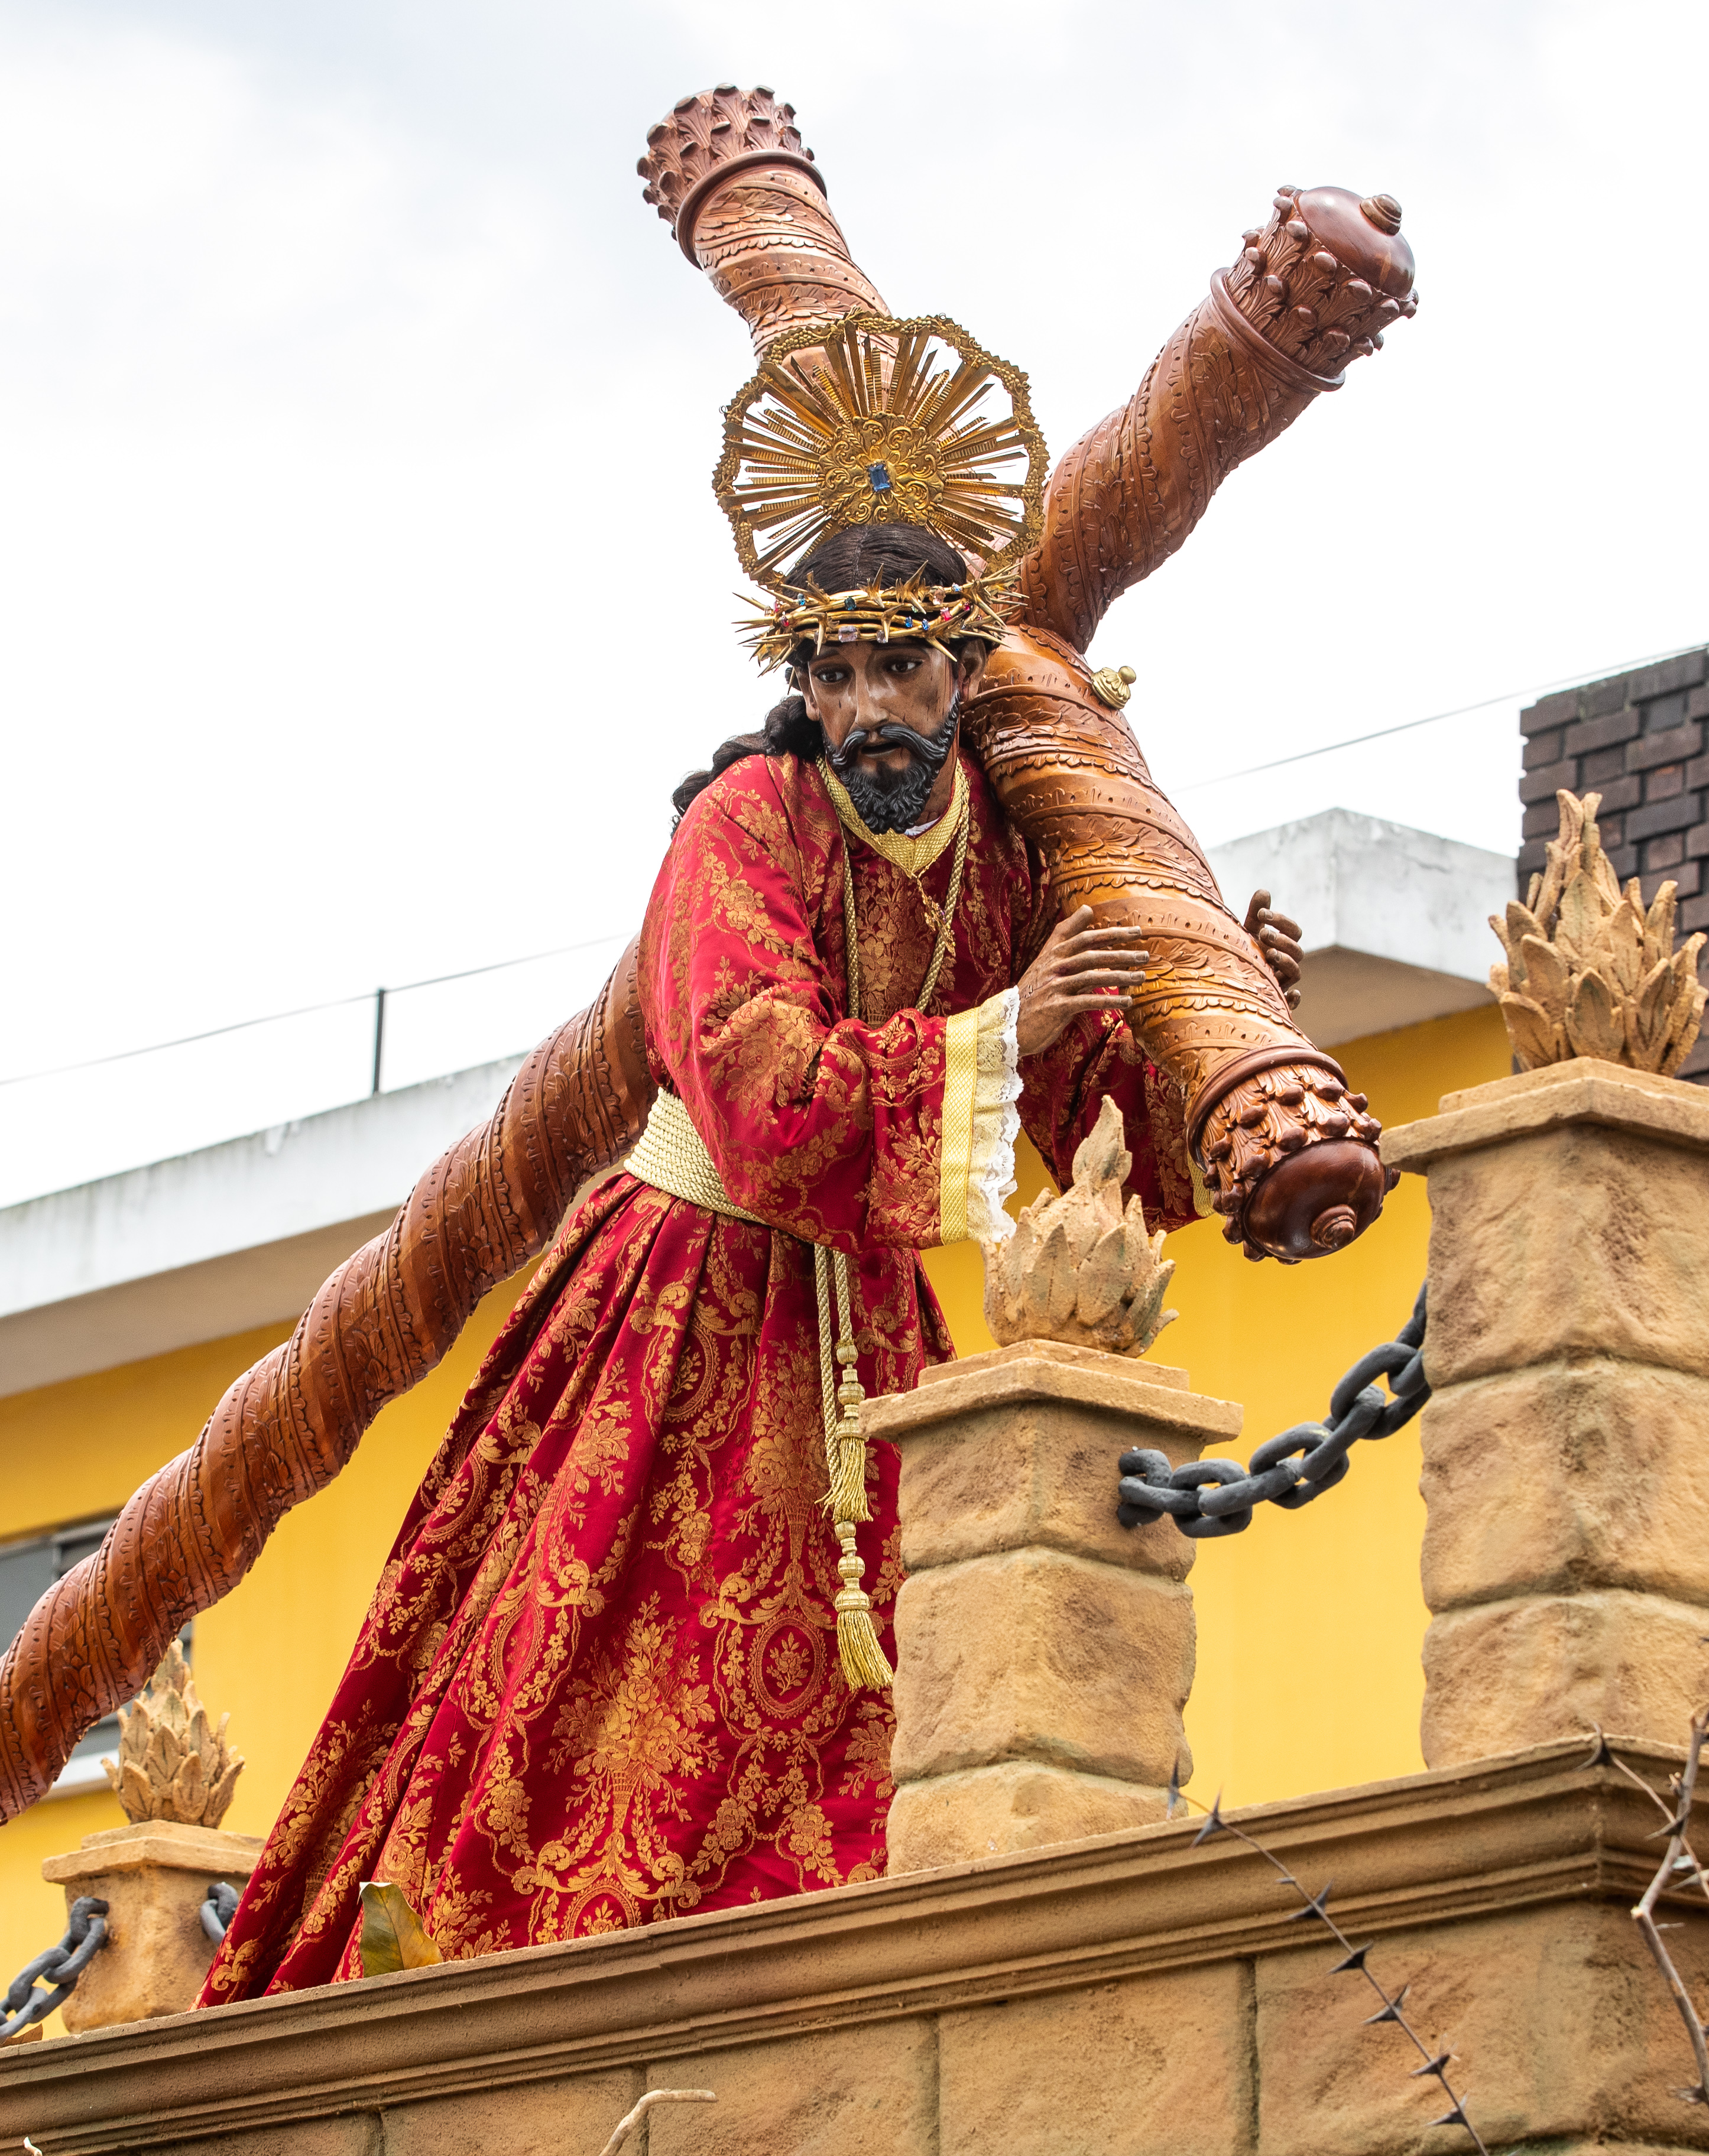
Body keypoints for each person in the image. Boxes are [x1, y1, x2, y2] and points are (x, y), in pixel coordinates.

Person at [198, 323, 1303, 1999]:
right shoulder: (739, 831)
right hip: (683, 1296)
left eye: (902, 671)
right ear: (800, 681)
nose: (867, 708)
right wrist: (1001, 1027)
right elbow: (758, 1085)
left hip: (877, 1327)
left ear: (961, 670)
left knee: (920, 1683)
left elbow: (1073, 1135)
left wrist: (1199, 1026)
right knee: (587, 1696)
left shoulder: (1009, 864)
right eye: (835, 674)